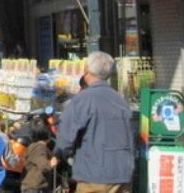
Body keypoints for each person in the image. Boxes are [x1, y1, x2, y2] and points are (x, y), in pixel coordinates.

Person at [53, 51, 134, 193]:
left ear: (87, 71)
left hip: (94, 174)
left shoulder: (82, 100)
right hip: (122, 173)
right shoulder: (119, 99)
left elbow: (65, 139)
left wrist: (58, 156)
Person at [21, 117, 53, 193]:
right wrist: (55, 160)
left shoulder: (34, 146)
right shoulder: (39, 148)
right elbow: (44, 166)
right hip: (35, 188)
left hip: (31, 187)